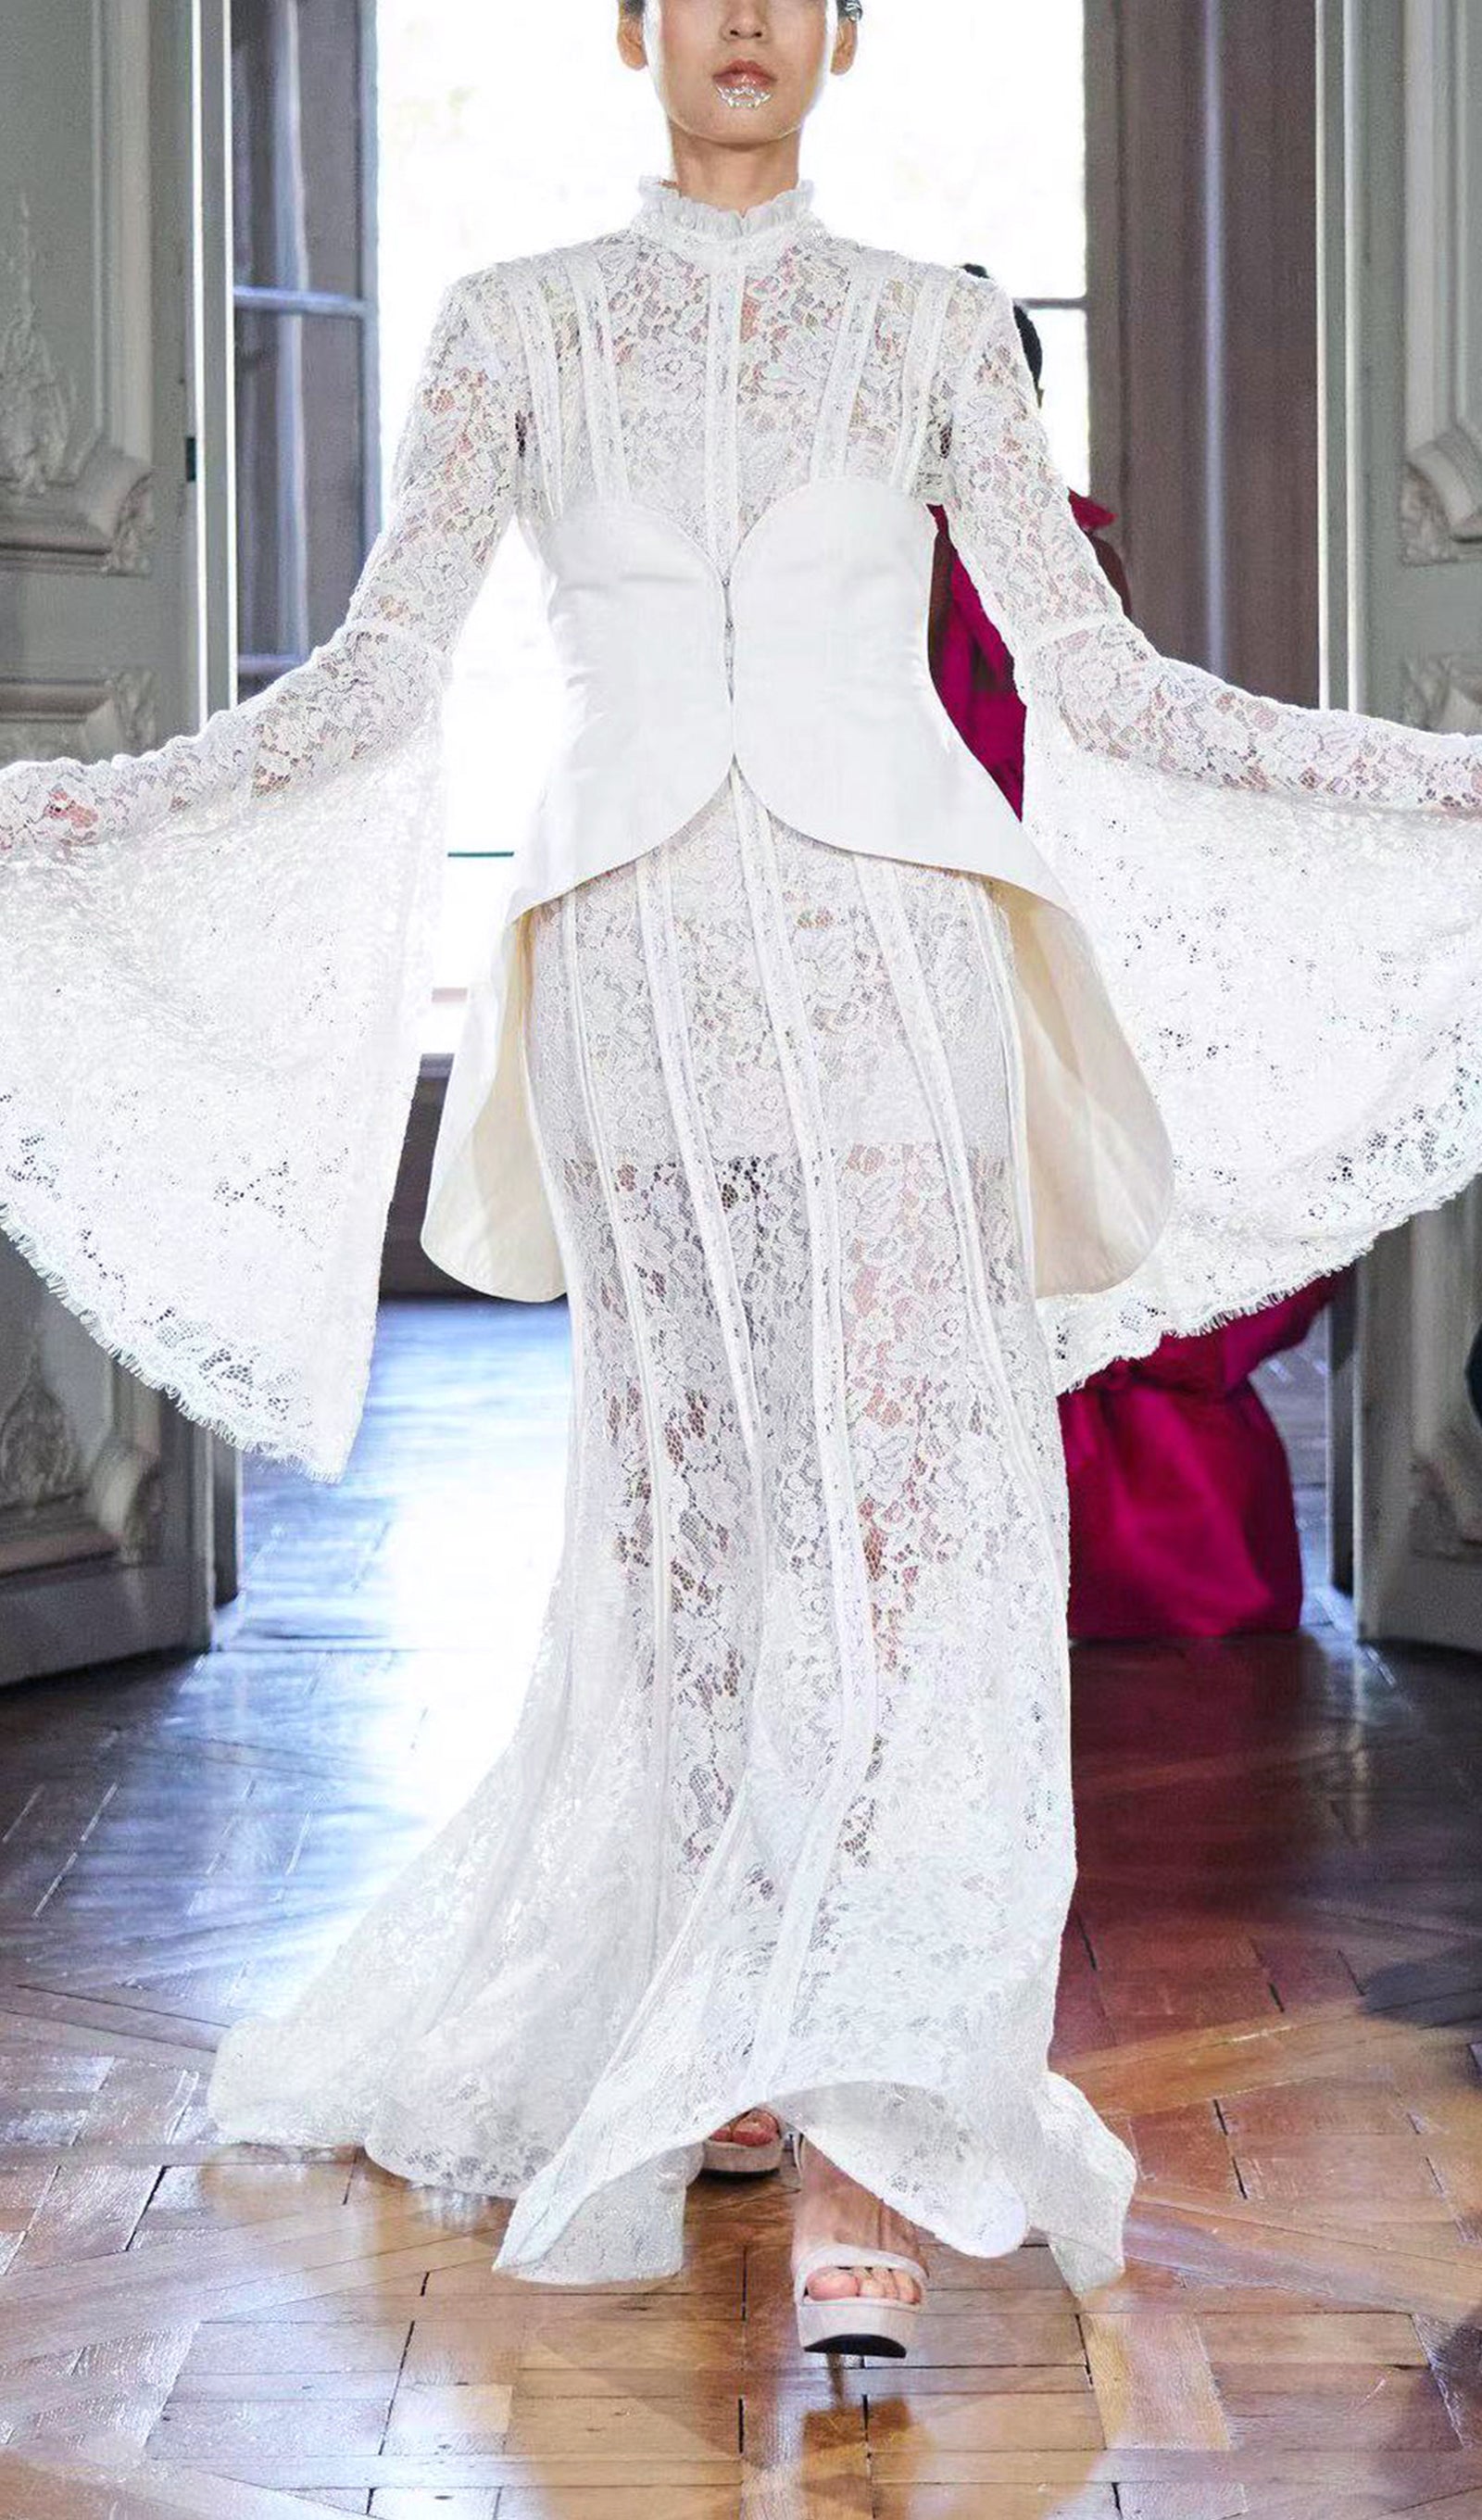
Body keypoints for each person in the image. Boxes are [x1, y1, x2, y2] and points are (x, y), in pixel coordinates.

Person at [3, 0, 1482, 2367]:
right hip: (635, 980)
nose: (743, 21)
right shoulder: (515, 326)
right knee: (694, 1521)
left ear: (844, 35)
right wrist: (84, 813)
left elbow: (1094, 680)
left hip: (899, 964)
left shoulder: (925, 330)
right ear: (629, 24)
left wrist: (1426, 784)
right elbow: (376, 680)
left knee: (912, 1526)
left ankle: (870, 2136)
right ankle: (723, 2018)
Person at [926, 299, 1344, 1639]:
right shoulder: (1042, 550)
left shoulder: (1038, 553)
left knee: (1057, 1211)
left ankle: (1035, 1557)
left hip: (1019, 914)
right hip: (981, 916)